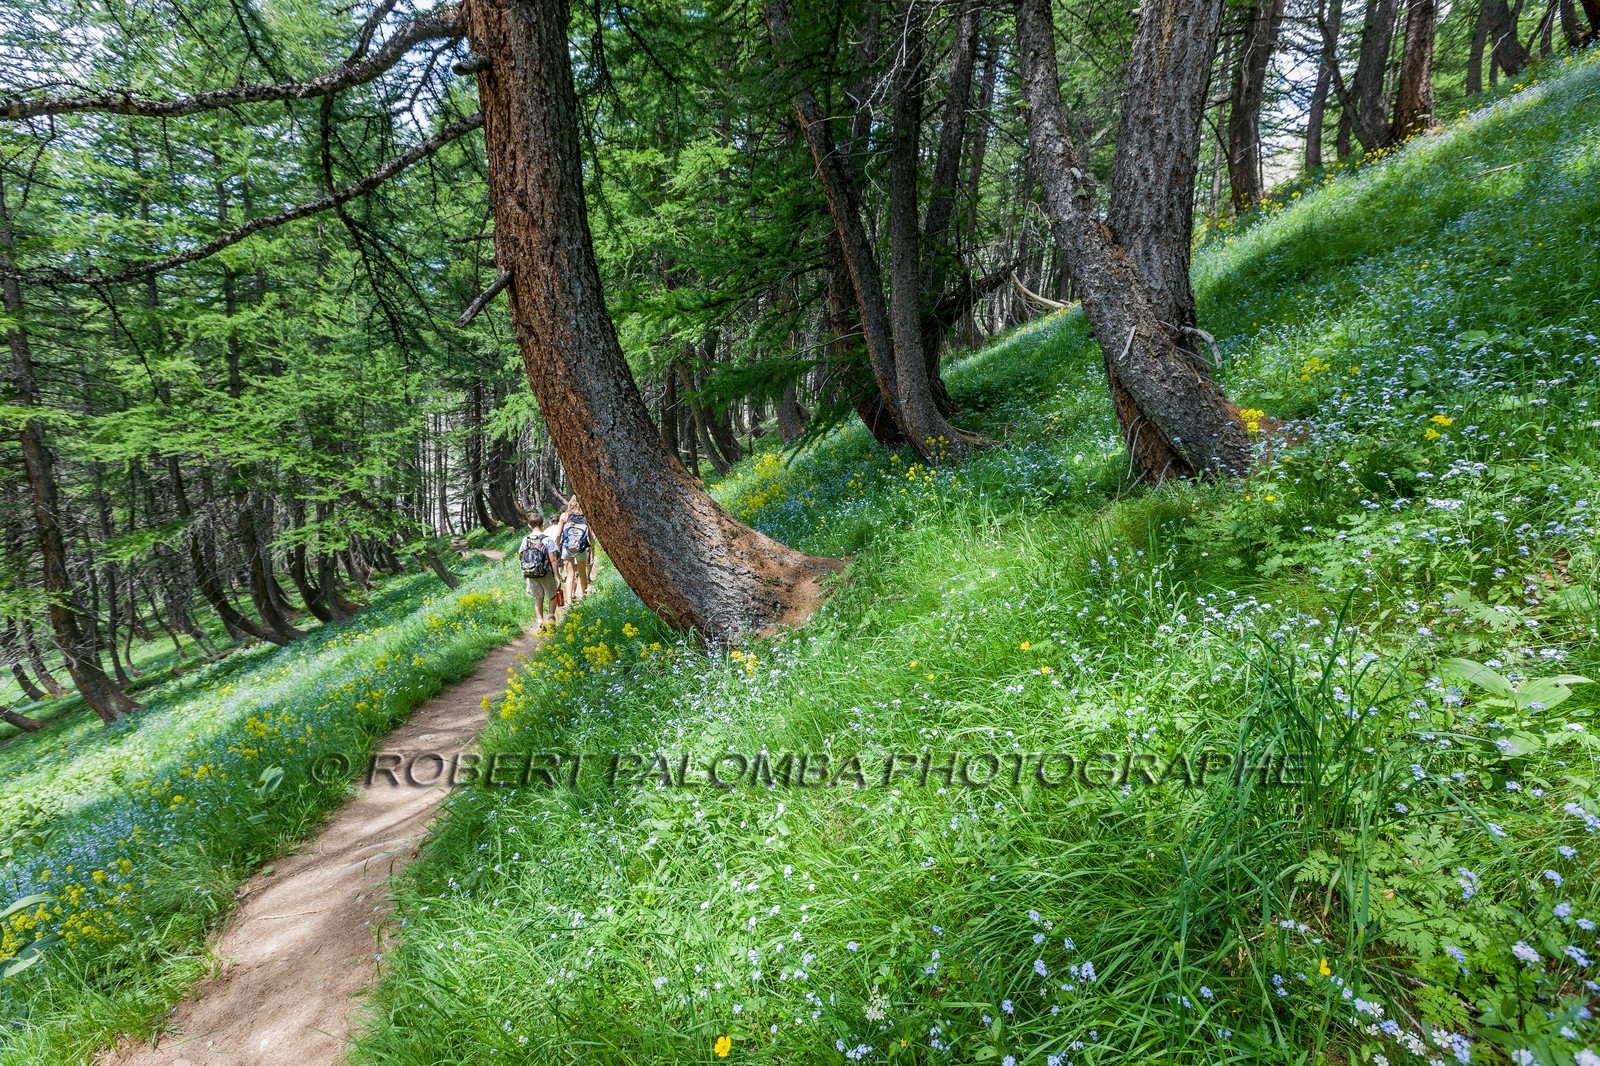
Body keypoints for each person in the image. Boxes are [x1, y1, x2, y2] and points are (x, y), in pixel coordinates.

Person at [515, 512, 560, 627]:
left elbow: (521, 557)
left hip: (531, 573)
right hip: (546, 572)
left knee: (538, 598)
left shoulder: (525, 540)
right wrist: (557, 576)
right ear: (543, 524)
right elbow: (553, 559)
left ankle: (540, 622)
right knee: (553, 596)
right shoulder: (547, 539)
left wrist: (524, 573)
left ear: (529, 525)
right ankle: (551, 618)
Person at [555, 495, 593, 603]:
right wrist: (591, 548)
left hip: (568, 548)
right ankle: (585, 597)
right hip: (581, 548)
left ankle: (569, 601)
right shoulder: (585, 516)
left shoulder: (564, 516)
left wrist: (558, 545)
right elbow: (590, 535)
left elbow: (558, 534)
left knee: (570, 574)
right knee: (582, 574)